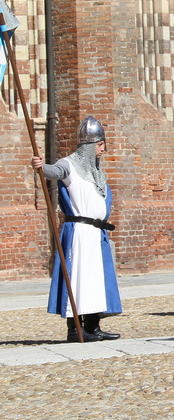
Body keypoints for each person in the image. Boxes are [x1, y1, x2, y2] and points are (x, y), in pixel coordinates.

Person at [33, 116, 122, 342]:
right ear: (90, 145)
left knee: (95, 281)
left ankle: (93, 327)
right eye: (101, 144)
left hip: (96, 233)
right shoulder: (70, 164)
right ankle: (75, 330)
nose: (104, 148)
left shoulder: (96, 171)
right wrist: (41, 167)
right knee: (78, 280)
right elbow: (54, 172)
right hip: (79, 233)